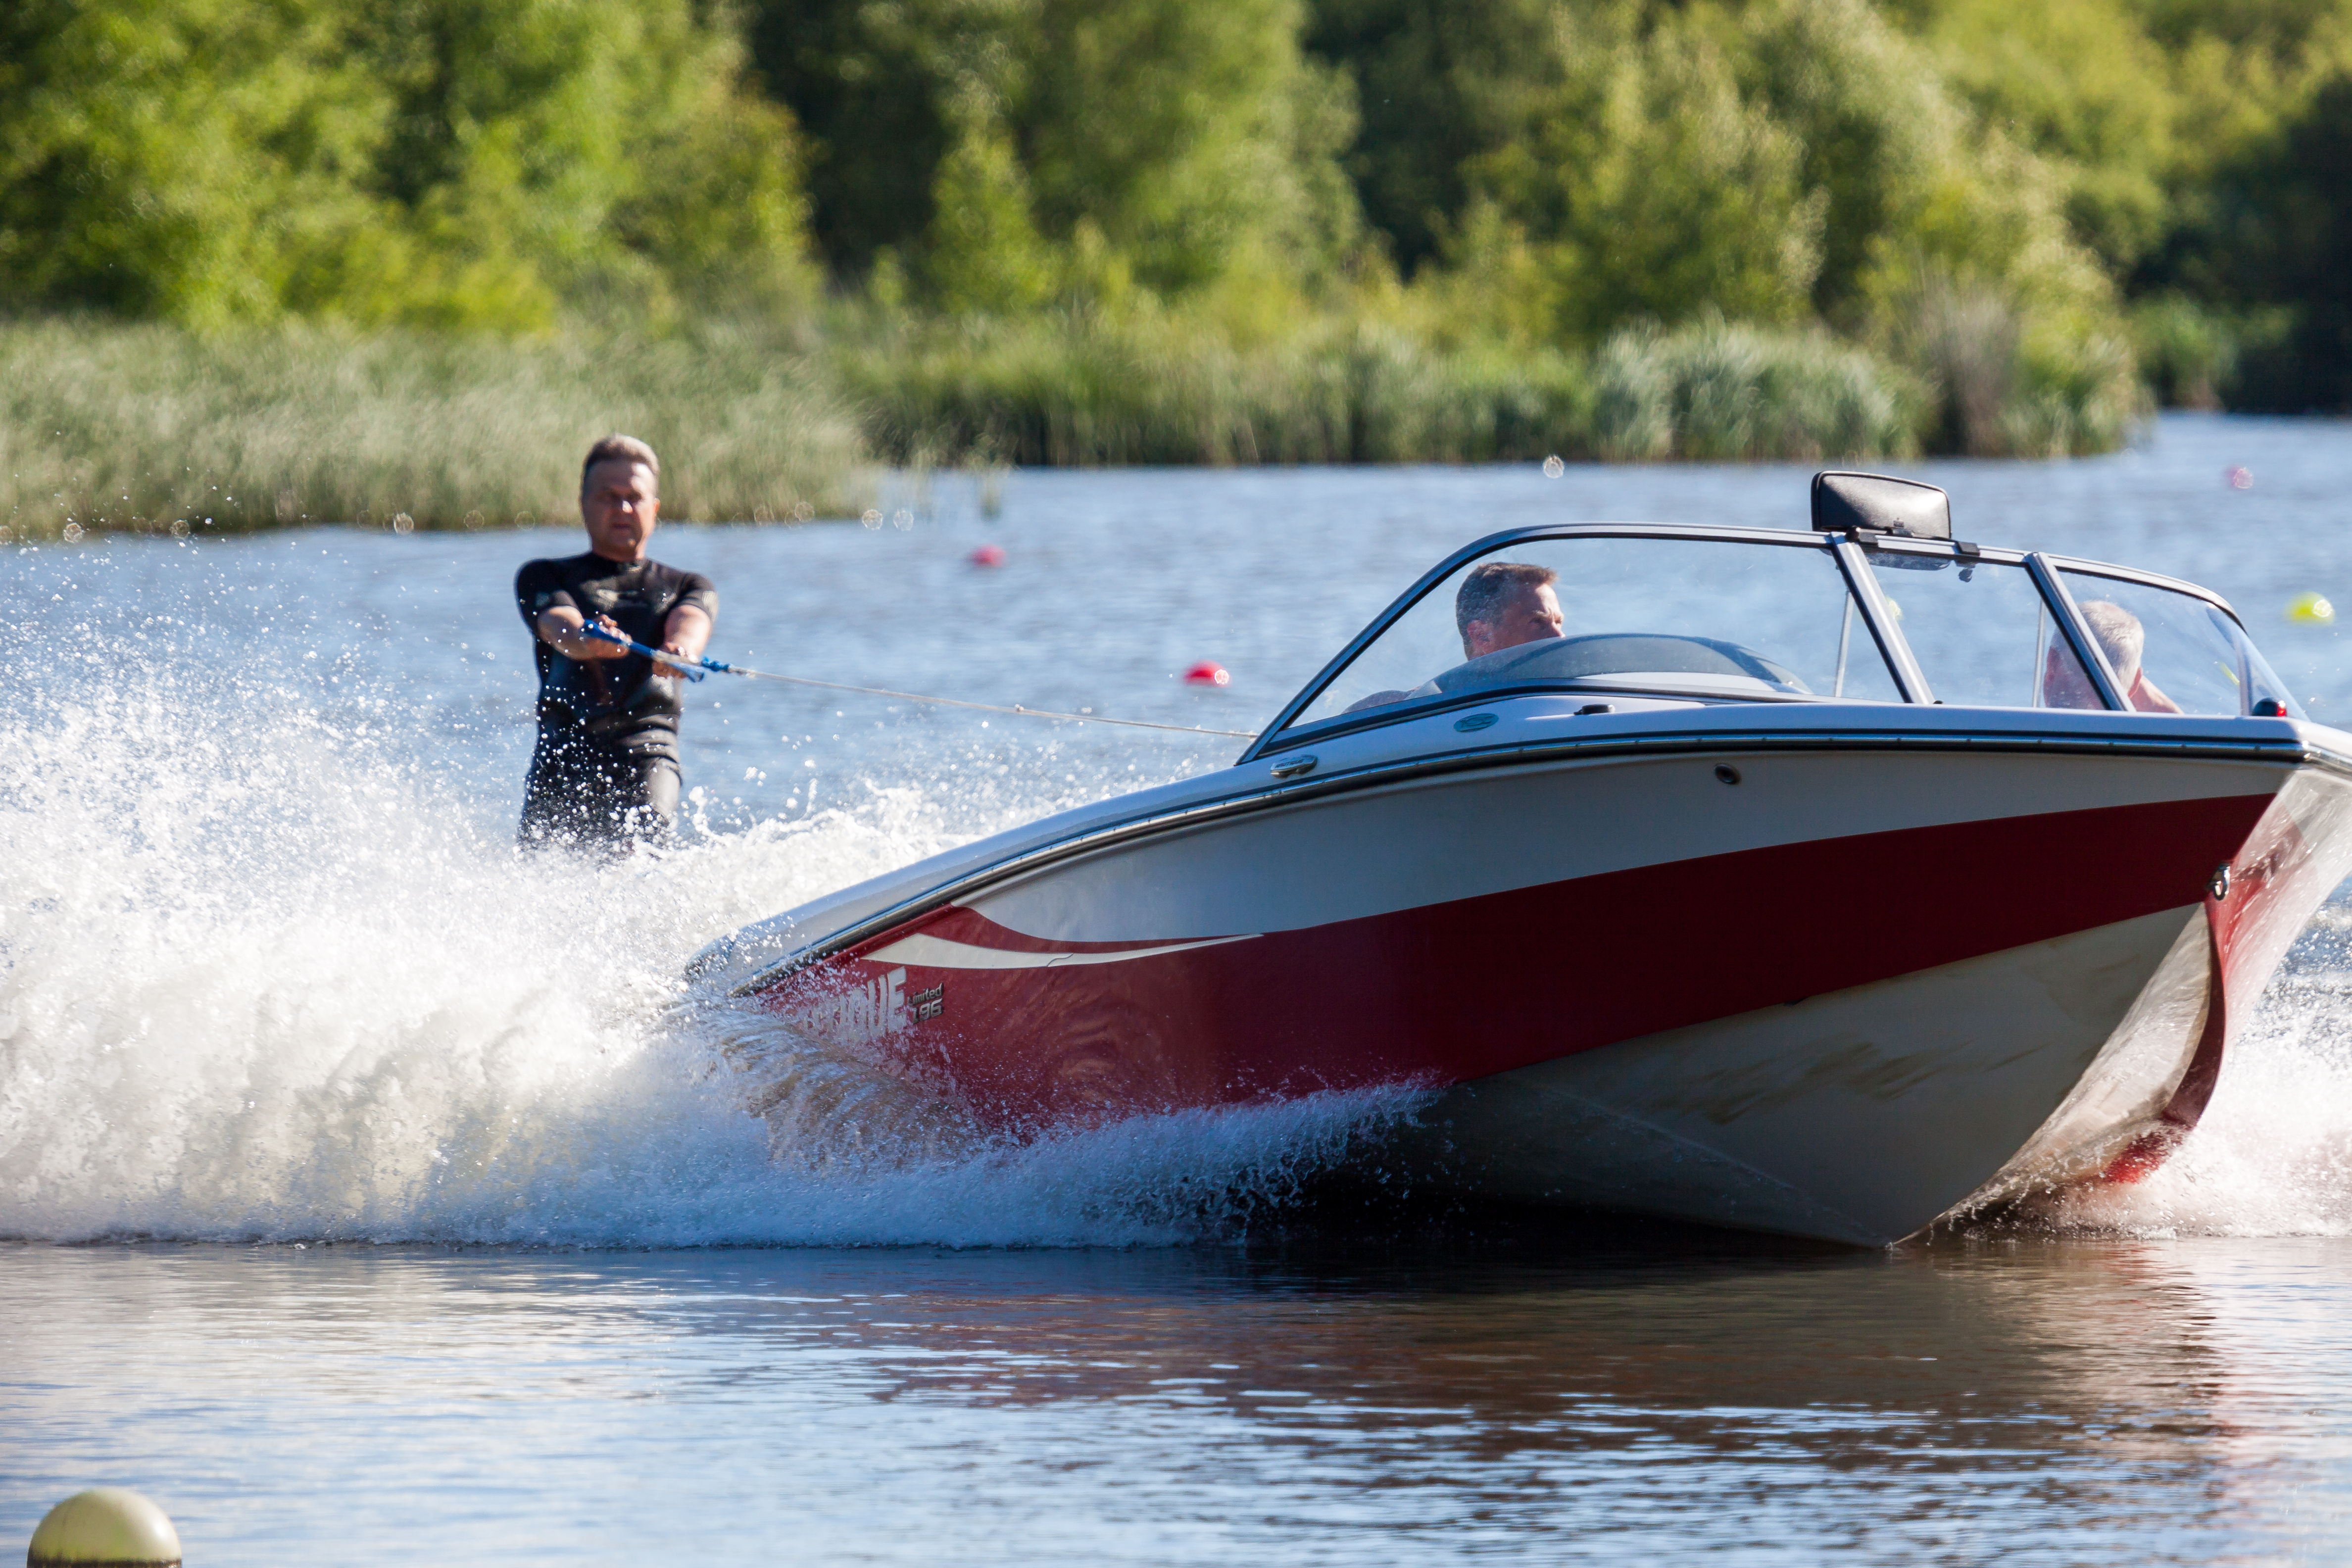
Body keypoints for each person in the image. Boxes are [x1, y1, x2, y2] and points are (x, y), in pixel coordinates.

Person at [514, 434, 718, 849]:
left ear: (654, 508)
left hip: (649, 753)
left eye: (634, 497)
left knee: (643, 849)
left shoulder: (686, 586)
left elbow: (690, 624)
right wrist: (589, 642)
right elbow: (559, 627)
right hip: (564, 757)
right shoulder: (544, 577)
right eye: (608, 497)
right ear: (584, 503)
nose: (623, 508)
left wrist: (680, 651)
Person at [1343, 560, 1568, 714]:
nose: (1560, 638)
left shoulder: (1580, 700)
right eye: (1538, 623)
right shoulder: (1412, 710)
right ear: (1482, 636)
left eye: (1558, 623)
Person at [2041, 599, 2182, 713]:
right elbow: (2185, 736)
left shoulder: (2023, 733)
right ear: (2134, 686)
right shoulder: (2152, 747)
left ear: (2051, 662)